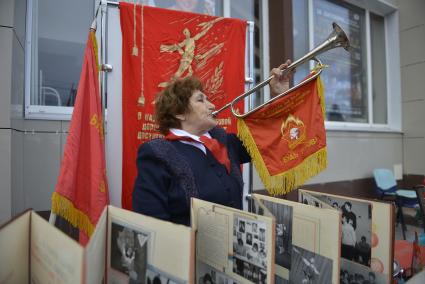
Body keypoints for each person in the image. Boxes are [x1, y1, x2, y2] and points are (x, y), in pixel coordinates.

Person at [132, 61, 292, 225]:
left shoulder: (223, 140)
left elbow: (271, 136)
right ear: (179, 113)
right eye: (201, 100)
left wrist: (280, 95)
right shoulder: (156, 154)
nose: (212, 106)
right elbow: (151, 222)